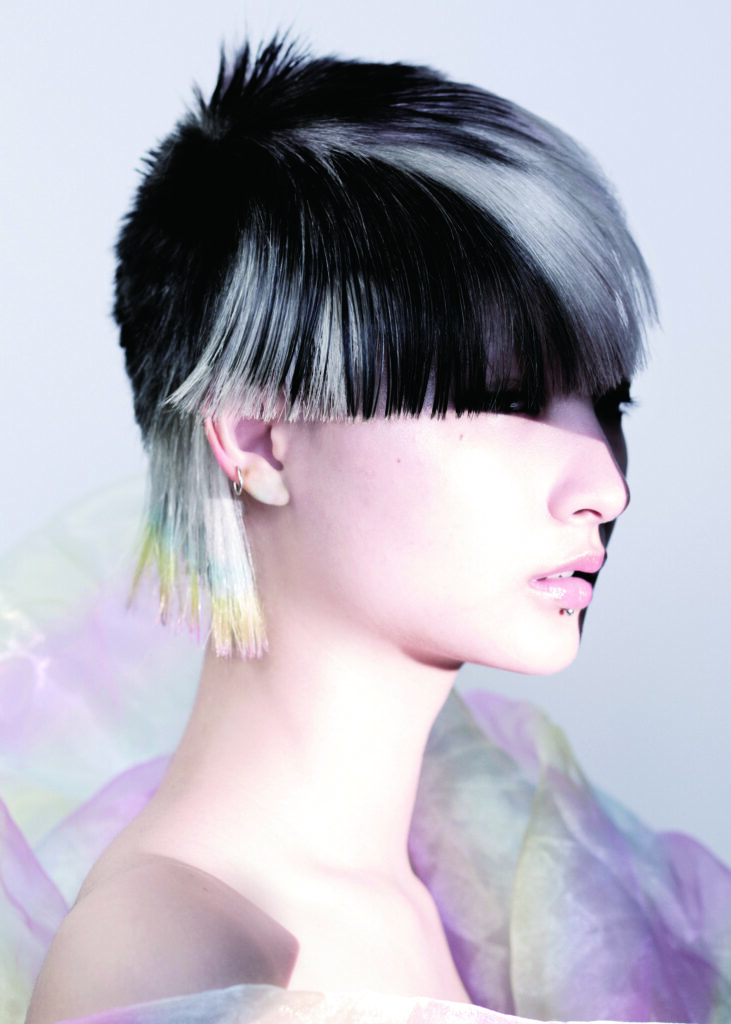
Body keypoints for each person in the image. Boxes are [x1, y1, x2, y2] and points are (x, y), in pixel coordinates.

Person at [9, 36, 731, 1024]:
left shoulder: (481, 887)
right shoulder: (170, 959)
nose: (605, 484)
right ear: (257, 436)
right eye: (506, 397)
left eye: (608, 405)